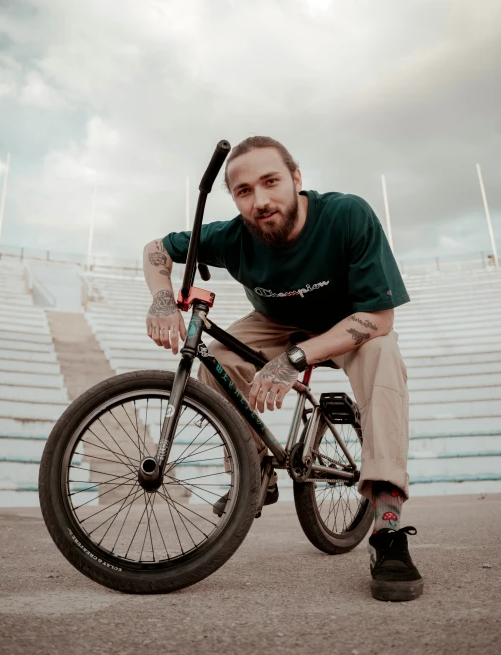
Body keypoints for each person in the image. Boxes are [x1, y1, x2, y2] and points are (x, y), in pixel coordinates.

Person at [143, 135, 423, 602]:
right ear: (234, 198)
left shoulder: (347, 215)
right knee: (218, 357)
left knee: (381, 355)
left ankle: (388, 525)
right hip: (273, 322)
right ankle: (254, 471)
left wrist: (295, 360)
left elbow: (379, 318)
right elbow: (157, 249)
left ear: (296, 179)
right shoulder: (232, 235)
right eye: (244, 191)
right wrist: (161, 298)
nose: (261, 200)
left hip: (348, 322)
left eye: (271, 182)